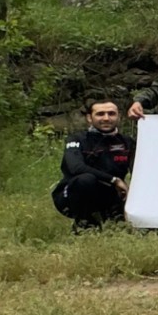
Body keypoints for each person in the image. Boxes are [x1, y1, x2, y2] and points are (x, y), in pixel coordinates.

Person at [54, 99, 135, 232]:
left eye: (111, 114)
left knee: (119, 230)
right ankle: (84, 224)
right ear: (89, 118)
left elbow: (139, 172)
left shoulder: (127, 142)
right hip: (71, 195)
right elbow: (76, 168)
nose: (106, 118)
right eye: (100, 114)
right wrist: (114, 180)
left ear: (119, 116)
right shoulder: (77, 139)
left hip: (113, 195)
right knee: (85, 179)